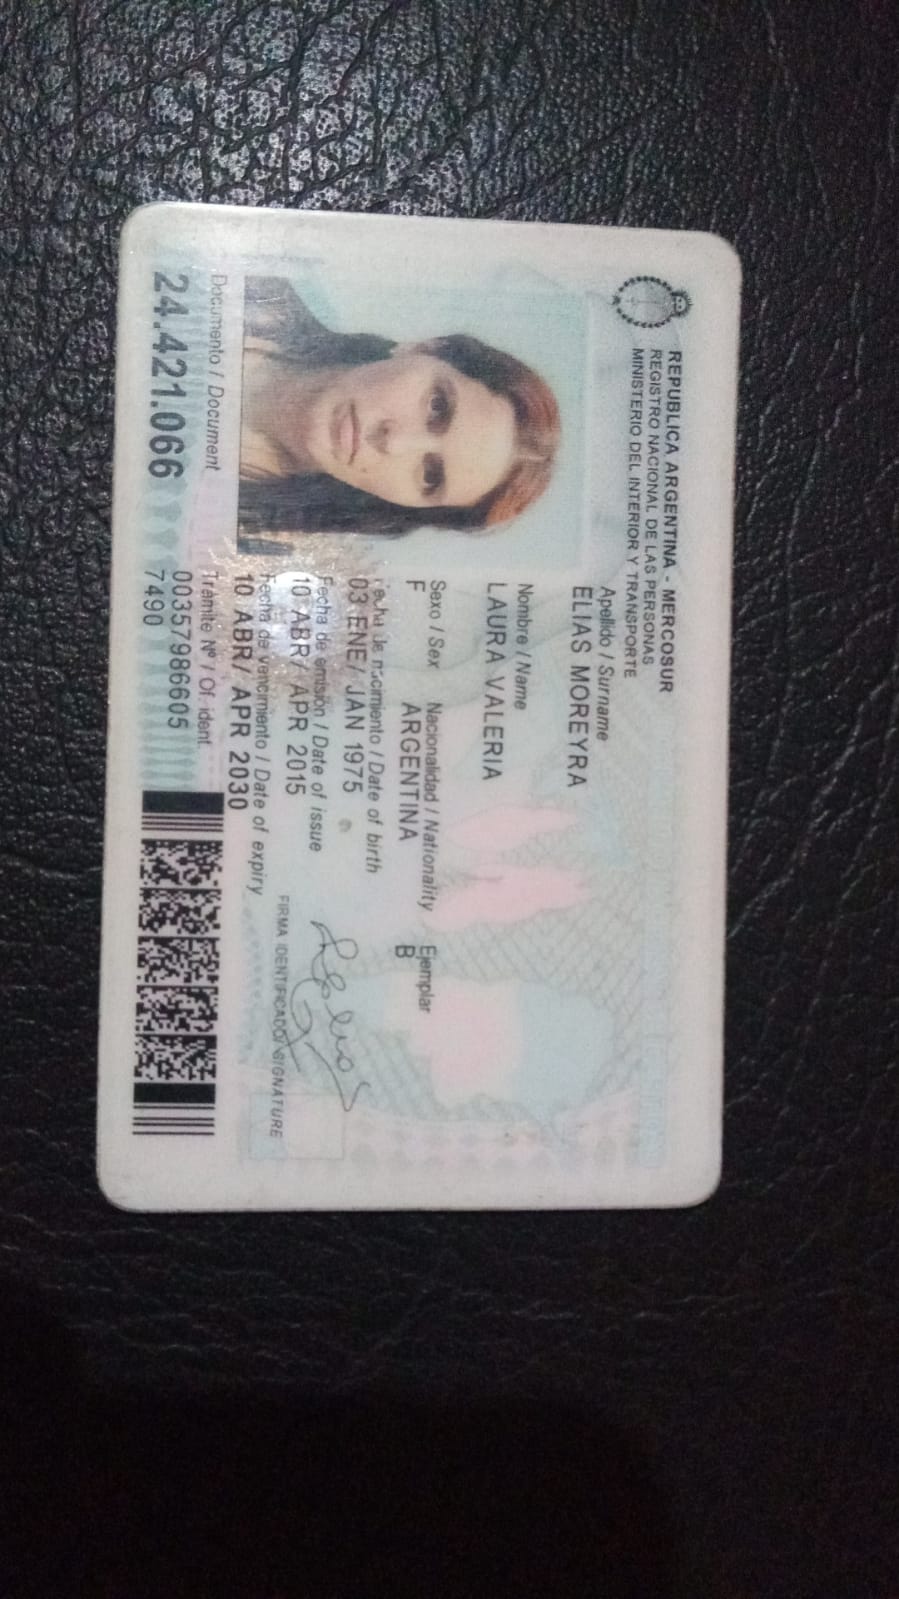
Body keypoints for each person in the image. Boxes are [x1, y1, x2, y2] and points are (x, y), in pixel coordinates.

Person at [237, 276, 560, 551]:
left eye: (431, 476)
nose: (394, 443)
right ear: (425, 349)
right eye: (437, 407)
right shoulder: (253, 287)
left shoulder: (247, 546)